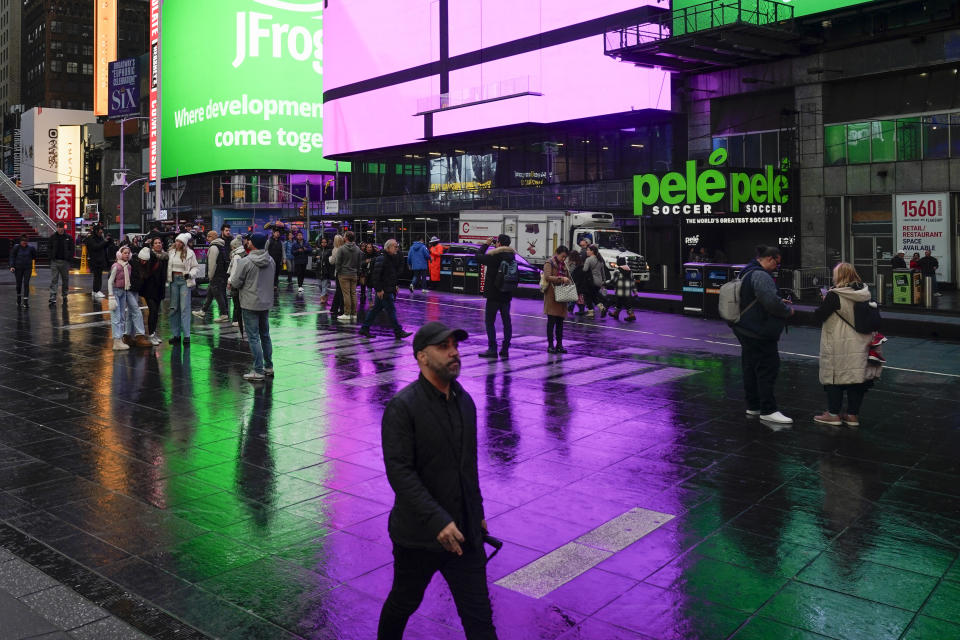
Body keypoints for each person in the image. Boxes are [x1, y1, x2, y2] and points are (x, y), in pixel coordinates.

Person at [377, 321, 496, 640]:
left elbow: (467, 468)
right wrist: (437, 521)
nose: (453, 353)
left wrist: (478, 513)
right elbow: (400, 473)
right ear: (422, 357)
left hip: (464, 533)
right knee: (404, 602)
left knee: (480, 619)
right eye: (444, 347)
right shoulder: (403, 407)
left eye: (455, 346)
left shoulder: (465, 402)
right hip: (419, 535)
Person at [812, 262, 882, 428]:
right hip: (861, 343)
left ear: (839, 276)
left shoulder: (834, 295)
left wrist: (824, 300)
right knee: (857, 379)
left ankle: (833, 414)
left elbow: (818, 316)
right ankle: (852, 416)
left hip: (839, 342)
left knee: (835, 378)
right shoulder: (864, 292)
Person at [731, 245, 794, 424]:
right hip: (758, 330)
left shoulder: (745, 272)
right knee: (768, 367)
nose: (777, 267)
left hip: (743, 327)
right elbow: (770, 303)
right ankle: (768, 409)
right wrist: (787, 310)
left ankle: (753, 406)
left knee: (750, 367)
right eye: (777, 263)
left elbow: (753, 298)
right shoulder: (760, 275)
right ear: (769, 259)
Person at [229, 233, 276, 381]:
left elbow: (236, 282)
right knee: (265, 335)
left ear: (253, 243)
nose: (247, 243)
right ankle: (268, 366)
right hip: (265, 302)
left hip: (250, 302)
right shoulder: (271, 260)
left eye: (249, 241)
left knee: (253, 337)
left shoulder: (246, 261)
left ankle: (258, 370)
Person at [358, 239, 412, 340]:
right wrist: (378, 289)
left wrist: (395, 285)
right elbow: (376, 276)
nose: (397, 248)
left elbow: (390, 275)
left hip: (387, 289)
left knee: (376, 310)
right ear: (388, 248)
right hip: (384, 290)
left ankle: (365, 328)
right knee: (391, 310)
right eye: (395, 247)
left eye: (397, 246)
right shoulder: (382, 258)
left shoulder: (390, 258)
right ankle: (398, 331)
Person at [476, 234, 516, 359]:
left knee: (489, 322)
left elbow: (478, 257)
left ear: (498, 243)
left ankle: (492, 349)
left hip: (493, 295)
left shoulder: (494, 256)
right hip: (506, 294)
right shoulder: (512, 257)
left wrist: (486, 244)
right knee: (507, 323)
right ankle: (505, 349)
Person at [107, 247, 151, 350]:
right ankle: (117, 340)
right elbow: (110, 281)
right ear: (120, 254)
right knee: (116, 317)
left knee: (122, 316)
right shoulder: (116, 266)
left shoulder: (128, 266)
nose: (127, 254)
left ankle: (121, 338)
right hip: (116, 292)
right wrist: (111, 296)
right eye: (124, 253)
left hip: (124, 291)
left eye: (128, 253)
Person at [167, 232, 200, 345]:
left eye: (180, 242)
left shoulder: (190, 253)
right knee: (174, 308)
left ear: (184, 243)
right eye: (177, 241)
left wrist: (190, 274)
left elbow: (196, 267)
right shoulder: (171, 252)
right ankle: (176, 334)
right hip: (174, 281)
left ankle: (186, 335)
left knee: (185, 308)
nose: (177, 243)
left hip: (185, 280)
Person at [195, 230, 230, 322]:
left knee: (219, 295)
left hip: (215, 275)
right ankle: (203, 311)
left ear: (214, 237)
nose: (207, 238)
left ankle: (224, 314)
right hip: (221, 275)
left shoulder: (214, 247)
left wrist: (210, 276)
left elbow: (212, 263)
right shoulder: (221, 246)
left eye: (209, 236)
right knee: (210, 294)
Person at [138, 240, 167, 345]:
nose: (158, 244)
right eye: (156, 243)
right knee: (153, 311)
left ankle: (153, 333)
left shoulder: (165, 257)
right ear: (152, 246)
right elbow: (144, 251)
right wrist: (146, 245)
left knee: (156, 313)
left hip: (159, 288)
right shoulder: (149, 255)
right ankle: (150, 335)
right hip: (149, 289)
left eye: (160, 242)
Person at [542, 245, 571, 354]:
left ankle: (559, 345)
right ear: (557, 253)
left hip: (562, 295)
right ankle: (550, 345)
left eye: (565, 257)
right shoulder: (549, 262)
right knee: (551, 321)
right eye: (562, 256)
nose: (563, 259)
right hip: (552, 295)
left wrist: (567, 280)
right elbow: (547, 277)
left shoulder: (564, 265)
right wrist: (561, 279)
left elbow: (568, 277)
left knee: (560, 323)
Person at [335, 230, 362, 322]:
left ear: (346, 238)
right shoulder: (357, 249)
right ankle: (354, 314)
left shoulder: (341, 249)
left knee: (346, 294)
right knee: (353, 293)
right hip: (354, 274)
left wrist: (338, 271)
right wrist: (357, 271)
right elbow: (359, 263)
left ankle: (347, 313)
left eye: (344, 235)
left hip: (343, 274)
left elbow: (338, 263)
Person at [48, 221, 74, 306]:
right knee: (54, 280)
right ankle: (52, 297)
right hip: (55, 261)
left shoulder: (68, 237)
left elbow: (71, 249)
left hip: (65, 262)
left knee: (65, 280)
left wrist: (69, 258)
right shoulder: (52, 237)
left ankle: (65, 295)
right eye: (58, 227)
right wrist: (51, 257)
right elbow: (49, 248)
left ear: (63, 228)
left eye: (61, 227)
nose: (59, 229)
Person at [605, 256, 637, 322]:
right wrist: (635, 292)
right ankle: (616, 313)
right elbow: (633, 282)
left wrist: (604, 283)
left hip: (619, 291)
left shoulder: (617, 271)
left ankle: (631, 315)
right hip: (627, 291)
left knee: (625, 303)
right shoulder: (630, 271)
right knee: (621, 302)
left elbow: (613, 281)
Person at [226, 236, 247, 335]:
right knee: (241, 302)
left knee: (236, 302)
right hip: (244, 281)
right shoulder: (244, 253)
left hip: (236, 282)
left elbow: (234, 270)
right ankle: (240, 319)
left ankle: (236, 320)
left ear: (234, 246)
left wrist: (229, 281)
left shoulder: (236, 256)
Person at [9, 235, 37, 308]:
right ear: (20, 241)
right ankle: (18, 298)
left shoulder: (31, 248)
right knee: (19, 284)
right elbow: (12, 256)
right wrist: (12, 266)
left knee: (26, 283)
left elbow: (34, 256)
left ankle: (25, 301)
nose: (25, 243)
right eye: (23, 242)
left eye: (26, 242)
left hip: (27, 268)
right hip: (18, 268)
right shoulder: (16, 247)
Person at [583, 244, 607, 317]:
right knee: (593, 296)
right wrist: (604, 282)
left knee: (588, 296)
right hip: (599, 282)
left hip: (591, 281)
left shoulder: (589, 259)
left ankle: (592, 312)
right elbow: (603, 272)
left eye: (588, 250)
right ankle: (599, 308)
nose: (586, 251)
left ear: (592, 251)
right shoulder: (600, 259)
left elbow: (585, 269)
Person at [85, 225, 107, 299]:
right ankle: (97, 290)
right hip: (95, 260)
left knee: (98, 276)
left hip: (100, 260)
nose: (101, 231)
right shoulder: (91, 239)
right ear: (96, 231)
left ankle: (95, 291)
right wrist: (104, 241)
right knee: (97, 276)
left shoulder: (100, 238)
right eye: (100, 230)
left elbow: (103, 247)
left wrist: (108, 241)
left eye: (102, 230)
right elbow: (96, 247)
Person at [329, 235, 346, 319]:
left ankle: (340, 308)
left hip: (339, 273)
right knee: (340, 291)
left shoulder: (335, 250)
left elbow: (332, 261)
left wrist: (329, 258)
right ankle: (334, 307)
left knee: (339, 291)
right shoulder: (345, 248)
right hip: (345, 272)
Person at [314, 236, 334, 306]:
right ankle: (325, 295)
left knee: (324, 285)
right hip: (319, 270)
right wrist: (316, 257)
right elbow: (314, 258)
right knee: (320, 285)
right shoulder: (318, 250)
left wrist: (322, 257)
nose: (323, 243)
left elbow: (330, 260)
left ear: (327, 243)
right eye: (322, 242)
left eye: (325, 242)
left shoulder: (329, 250)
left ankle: (322, 297)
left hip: (326, 270)